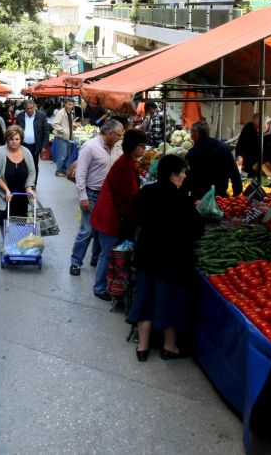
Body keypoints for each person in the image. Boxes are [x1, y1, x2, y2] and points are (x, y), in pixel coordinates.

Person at [129, 154, 204, 361]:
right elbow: (197, 230)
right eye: (182, 173)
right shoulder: (181, 199)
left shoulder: (146, 192)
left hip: (146, 257)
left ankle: (142, 348)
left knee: (145, 300)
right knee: (169, 302)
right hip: (172, 261)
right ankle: (169, 347)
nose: (184, 177)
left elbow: (134, 219)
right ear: (173, 175)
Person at [89, 129, 147, 300]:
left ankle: (104, 284)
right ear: (132, 147)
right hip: (109, 215)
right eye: (141, 146)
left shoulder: (128, 162)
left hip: (109, 213)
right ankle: (99, 288)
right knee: (106, 254)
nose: (143, 150)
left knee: (104, 252)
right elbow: (129, 196)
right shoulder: (125, 166)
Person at [69, 119, 124, 276]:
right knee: (86, 230)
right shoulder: (90, 146)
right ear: (109, 134)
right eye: (119, 135)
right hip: (92, 194)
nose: (120, 138)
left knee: (102, 230)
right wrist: (83, 197)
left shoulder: (115, 148)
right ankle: (75, 262)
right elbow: (81, 173)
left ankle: (95, 259)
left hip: (107, 196)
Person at [0, 126, 37, 234]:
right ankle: (6, 242)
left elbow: (32, 172)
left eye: (17, 139)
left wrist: (29, 187)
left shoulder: (26, 152)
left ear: (21, 139)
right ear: (7, 139)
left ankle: (18, 240)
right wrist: (6, 190)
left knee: (21, 217)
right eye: (11, 139)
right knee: (4, 218)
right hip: (2, 192)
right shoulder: (0, 152)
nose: (14, 142)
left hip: (21, 191)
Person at [185, 120, 242, 200]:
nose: (190, 135)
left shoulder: (193, 153)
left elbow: (186, 177)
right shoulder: (224, 148)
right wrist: (237, 193)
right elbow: (234, 172)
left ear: (196, 134)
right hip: (220, 196)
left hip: (199, 198)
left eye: (191, 132)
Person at [16, 99, 50, 180]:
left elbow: (46, 131)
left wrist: (44, 146)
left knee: (34, 165)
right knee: (22, 165)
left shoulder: (41, 116)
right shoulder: (20, 116)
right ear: (24, 108)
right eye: (27, 108)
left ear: (35, 107)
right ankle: (24, 183)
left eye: (31, 108)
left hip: (36, 146)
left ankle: (33, 184)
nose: (29, 110)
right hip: (23, 145)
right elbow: (16, 130)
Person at [51, 98, 78, 178]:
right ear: (65, 104)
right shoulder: (61, 113)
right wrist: (63, 130)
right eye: (69, 104)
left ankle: (64, 170)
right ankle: (58, 171)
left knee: (67, 155)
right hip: (62, 137)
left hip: (68, 137)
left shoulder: (70, 112)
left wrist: (73, 126)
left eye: (72, 104)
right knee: (62, 156)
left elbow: (68, 123)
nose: (71, 106)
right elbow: (54, 124)